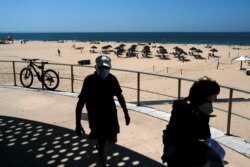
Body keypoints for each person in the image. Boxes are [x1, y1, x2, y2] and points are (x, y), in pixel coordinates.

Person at [75, 55, 130, 167]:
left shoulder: (112, 79)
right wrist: (77, 123)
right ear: (96, 67)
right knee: (102, 140)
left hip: (111, 115)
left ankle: (101, 147)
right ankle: (103, 162)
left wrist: (126, 113)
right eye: (100, 67)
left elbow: (120, 96)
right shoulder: (89, 80)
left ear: (109, 68)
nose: (103, 70)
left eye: (106, 68)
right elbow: (80, 103)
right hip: (96, 117)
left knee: (113, 139)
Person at [161, 76, 222, 167]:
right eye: (212, 97)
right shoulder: (184, 111)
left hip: (190, 156)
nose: (214, 99)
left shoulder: (198, 109)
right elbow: (185, 140)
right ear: (204, 97)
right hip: (183, 159)